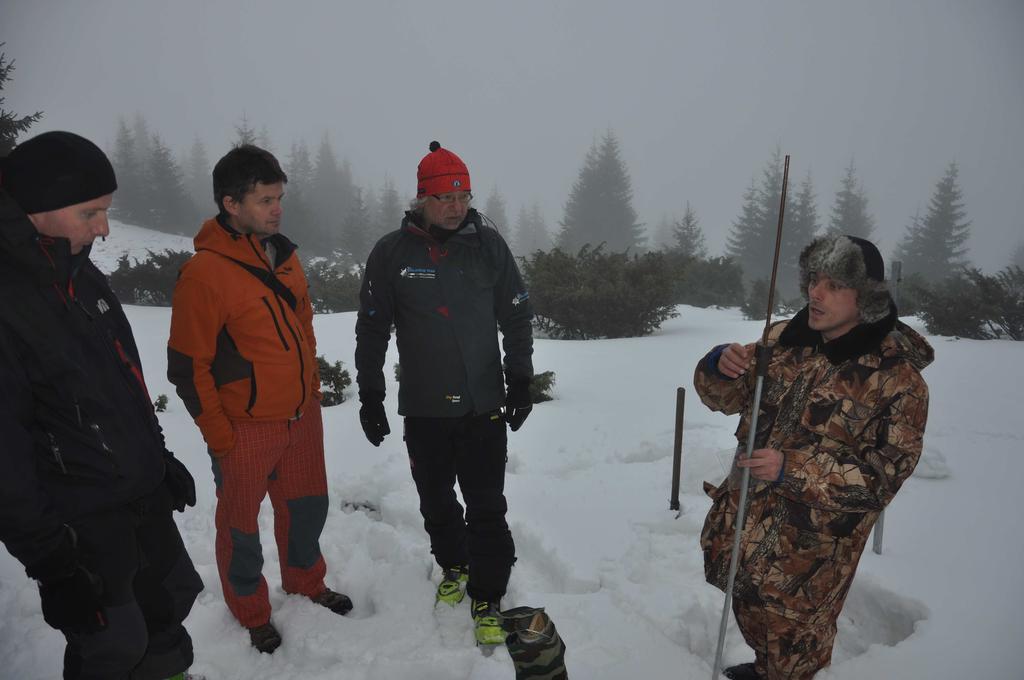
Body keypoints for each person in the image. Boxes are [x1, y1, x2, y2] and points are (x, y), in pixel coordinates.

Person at [0, 131, 203, 680]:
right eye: (90, 212)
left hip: (136, 497)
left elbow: (124, 380)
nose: (104, 228)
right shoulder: (9, 303)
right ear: (36, 207)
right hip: (79, 518)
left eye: (107, 211)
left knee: (167, 604)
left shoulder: (82, 275)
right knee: (112, 642)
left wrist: (156, 460)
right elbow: (6, 460)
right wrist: (51, 563)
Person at [695, 234, 933, 679]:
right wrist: (717, 366)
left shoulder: (899, 381)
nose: (814, 293)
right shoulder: (785, 339)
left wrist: (792, 469)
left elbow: (883, 477)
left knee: (795, 642)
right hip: (745, 517)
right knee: (749, 607)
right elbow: (726, 397)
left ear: (866, 297)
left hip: (811, 554)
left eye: (832, 285)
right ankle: (767, 668)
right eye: (813, 280)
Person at [167, 145, 351, 655]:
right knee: (241, 525)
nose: (277, 208)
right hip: (244, 426)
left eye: (280, 198)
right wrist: (219, 434)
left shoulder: (285, 257)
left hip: (300, 418)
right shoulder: (204, 274)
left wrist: (311, 389)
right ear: (231, 203)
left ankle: (306, 581)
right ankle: (251, 610)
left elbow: (305, 328)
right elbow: (188, 366)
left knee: (307, 507)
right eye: (266, 199)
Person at [355, 141, 534, 645]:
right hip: (424, 406)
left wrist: (519, 379)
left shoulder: (489, 246)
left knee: (486, 503)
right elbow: (372, 328)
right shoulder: (392, 253)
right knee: (434, 499)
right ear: (421, 199)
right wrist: (371, 394)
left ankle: (489, 592)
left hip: (482, 404)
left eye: (464, 196)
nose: (456, 207)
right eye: (444, 198)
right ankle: (453, 565)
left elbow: (516, 314)